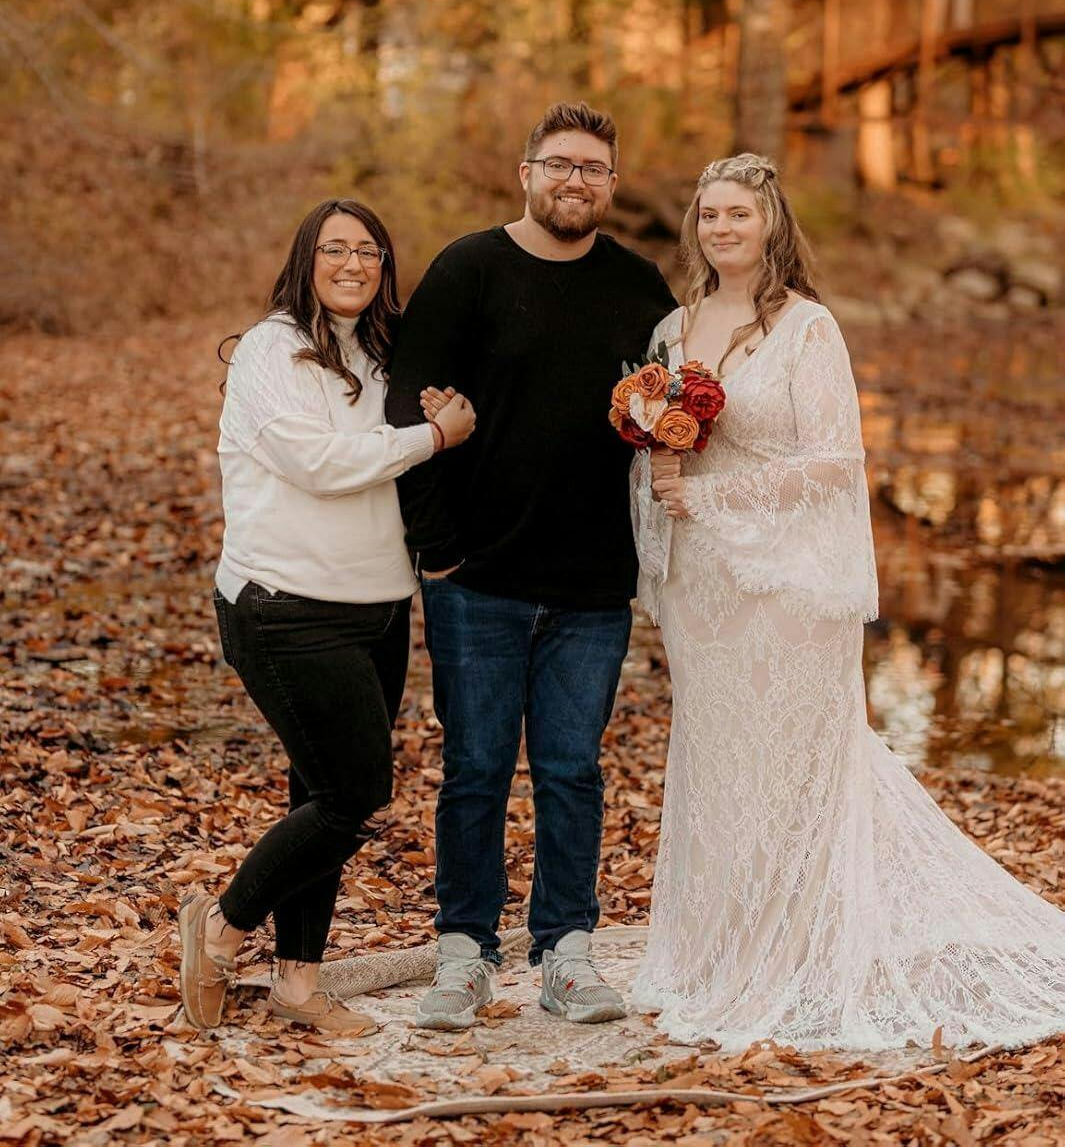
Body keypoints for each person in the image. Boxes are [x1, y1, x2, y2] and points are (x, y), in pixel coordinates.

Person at [630, 153, 1065, 1051]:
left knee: (793, 765)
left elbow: (835, 462)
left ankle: (796, 952)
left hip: (789, 581)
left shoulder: (807, 327)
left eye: (737, 214)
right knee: (719, 764)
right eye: (708, 214)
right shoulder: (673, 328)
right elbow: (661, 444)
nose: (721, 228)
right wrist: (661, 462)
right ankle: (719, 949)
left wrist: (713, 495)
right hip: (702, 582)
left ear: (770, 224)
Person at [386, 101, 676, 1030]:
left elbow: (675, 410)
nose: (573, 181)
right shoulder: (468, 269)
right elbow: (406, 405)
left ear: (612, 185)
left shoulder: (636, 286)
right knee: (474, 769)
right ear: (526, 173)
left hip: (593, 584)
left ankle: (565, 953)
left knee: (571, 772)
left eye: (592, 168)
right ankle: (463, 954)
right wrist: (436, 548)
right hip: (477, 579)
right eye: (558, 164)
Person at [177, 199, 476, 1033]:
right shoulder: (270, 349)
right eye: (335, 250)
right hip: (285, 605)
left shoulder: (383, 350)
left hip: (377, 605)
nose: (353, 265)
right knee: (354, 797)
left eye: (369, 252)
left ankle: (298, 983)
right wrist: (431, 437)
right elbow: (316, 463)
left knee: (316, 794)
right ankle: (221, 926)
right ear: (305, 260)